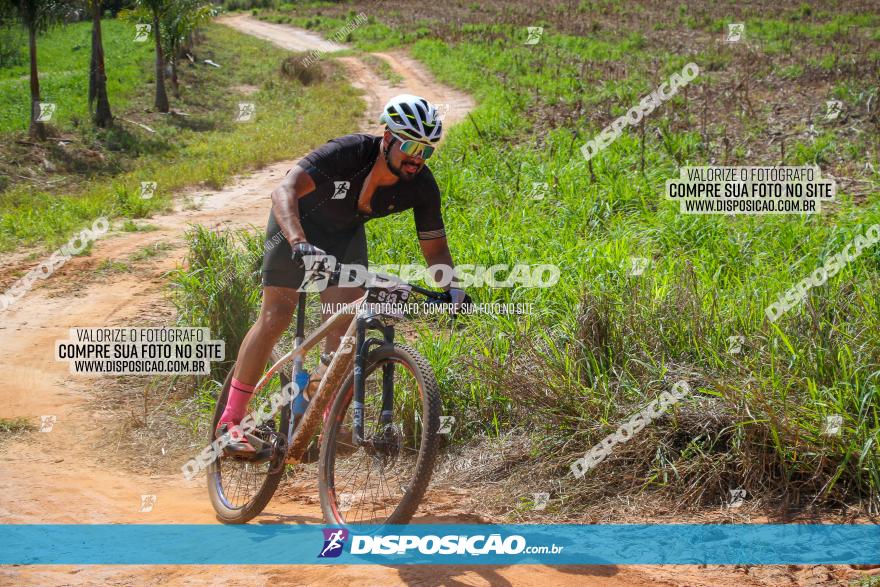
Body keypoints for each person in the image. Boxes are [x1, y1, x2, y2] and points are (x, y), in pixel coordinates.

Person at [217, 94, 468, 454]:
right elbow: (283, 190)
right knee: (276, 316)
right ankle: (231, 421)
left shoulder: (421, 185)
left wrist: (454, 290)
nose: (417, 158)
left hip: (343, 236)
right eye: (411, 146)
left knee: (347, 325)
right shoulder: (349, 152)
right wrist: (300, 243)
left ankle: (317, 410)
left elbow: (437, 251)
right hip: (295, 226)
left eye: (427, 151)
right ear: (387, 138)